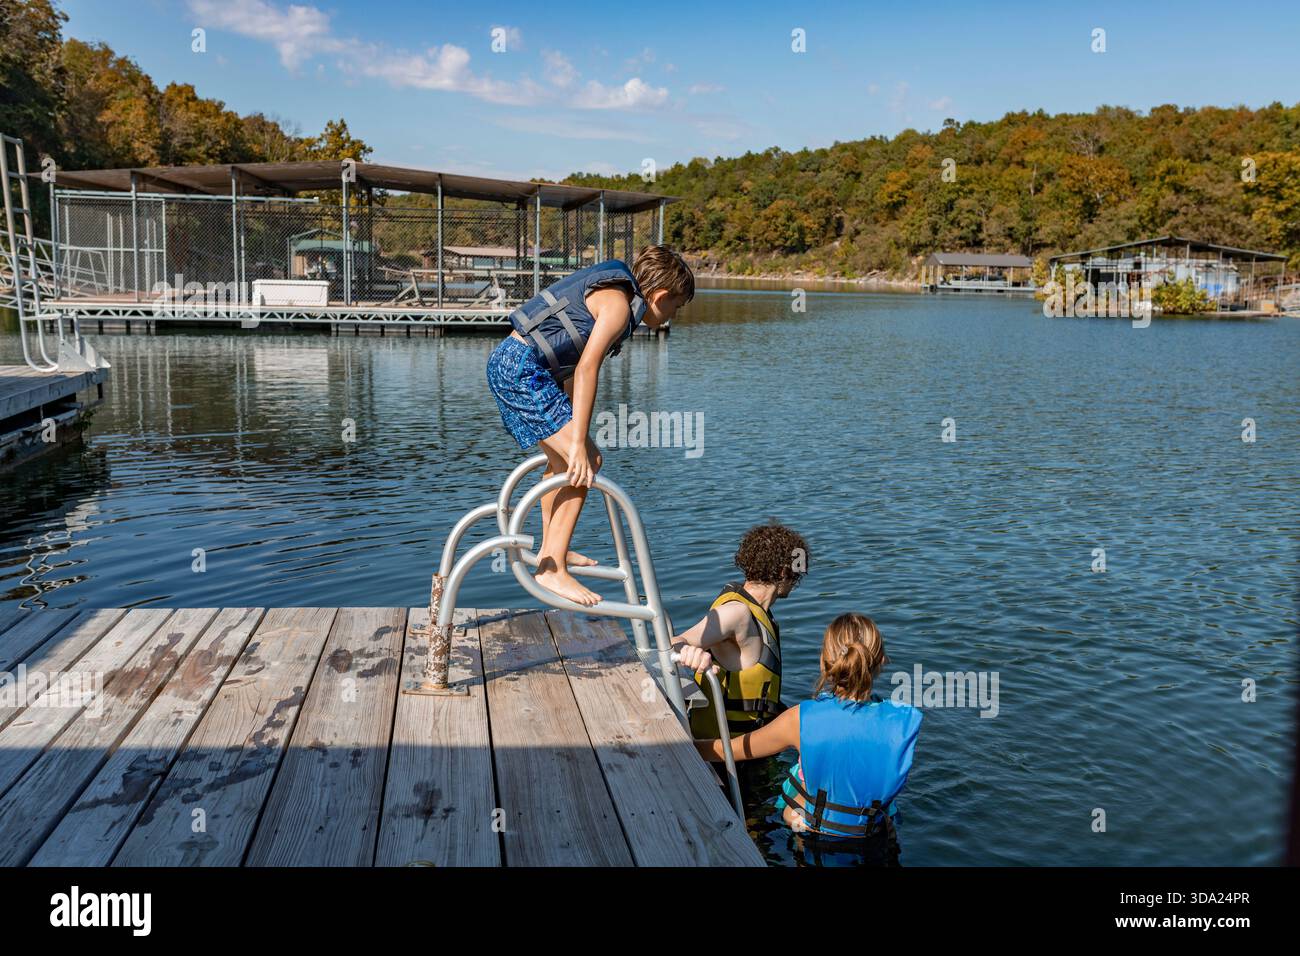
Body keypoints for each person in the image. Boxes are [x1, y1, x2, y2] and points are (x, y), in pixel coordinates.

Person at [486, 245, 694, 605]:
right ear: (659, 296)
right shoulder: (616, 306)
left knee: (560, 463)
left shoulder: (615, 298)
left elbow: (569, 365)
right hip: (521, 371)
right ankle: (551, 569)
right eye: (675, 307)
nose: (673, 315)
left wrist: (572, 431)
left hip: (517, 366)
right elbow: (586, 369)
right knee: (587, 462)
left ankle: (553, 553)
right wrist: (579, 441)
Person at [682, 613, 922, 852]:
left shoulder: (800, 718)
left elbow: (731, 751)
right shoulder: (903, 720)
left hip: (809, 837)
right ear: (880, 661)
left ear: (823, 662)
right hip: (874, 838)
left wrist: (683, 744)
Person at [671, 522, 808, 739]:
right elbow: (675, 642)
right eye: (796, 575)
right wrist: (687, 651)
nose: (796, 582)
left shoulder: (759, 614)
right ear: (783, 572)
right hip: (726, 757)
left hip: (754, 746)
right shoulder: (737, 612)